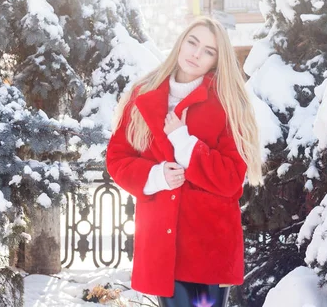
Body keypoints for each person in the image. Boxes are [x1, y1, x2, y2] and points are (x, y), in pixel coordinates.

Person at [105, 16, 262, 307]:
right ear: (180, 43)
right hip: (162, 243)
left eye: (208, 51)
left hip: (209, 244)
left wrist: (183, 141)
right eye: (193, 42)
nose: (196, 54)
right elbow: (117, 158)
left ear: (216, 61)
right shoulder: (143, 94)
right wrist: (156, 176)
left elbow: (231, 178)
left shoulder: (228, 102)